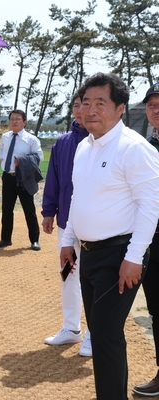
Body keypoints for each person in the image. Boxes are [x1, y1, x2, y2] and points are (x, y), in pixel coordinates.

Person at [60, 73, 159, 400]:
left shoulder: (134, 148)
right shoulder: (84, 147)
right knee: (103, 334)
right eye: (86, 102)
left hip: (120, 256)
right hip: (88, 254)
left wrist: (134, 258)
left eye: (100, 103)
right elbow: (77, 197)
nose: (90, 110)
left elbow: (150, 206)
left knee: (104, 334)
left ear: (119, 108)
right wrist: (67, 241)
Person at [41, 93, 91, 356]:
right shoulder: (62, 143)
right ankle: (71, 329)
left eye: (86, 103)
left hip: (96, 226)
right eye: (76, 104)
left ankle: (95, 332)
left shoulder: (101, 140)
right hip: (66, 223)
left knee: (93, 278)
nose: (80, 109)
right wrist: (49, 211)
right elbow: (54, 179)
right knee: (68, 275)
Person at [133, 82, 159, 397]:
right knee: (157, 311)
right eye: (151, 105)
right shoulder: (145, 145)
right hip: (152, 242)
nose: (155, 110)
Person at [0, 109, 43, 250]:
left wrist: (22, 161)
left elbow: (39, 157)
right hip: (8, 177)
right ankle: (5, 239)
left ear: (25, 122)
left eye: (18, 119)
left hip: (24, 178)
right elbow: (1, 149)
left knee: (29, 209)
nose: (14, 121)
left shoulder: (31, 139)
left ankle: (34, 240)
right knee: (6, 209)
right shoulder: (5, 136)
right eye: (12, 119)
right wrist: (1, 160)